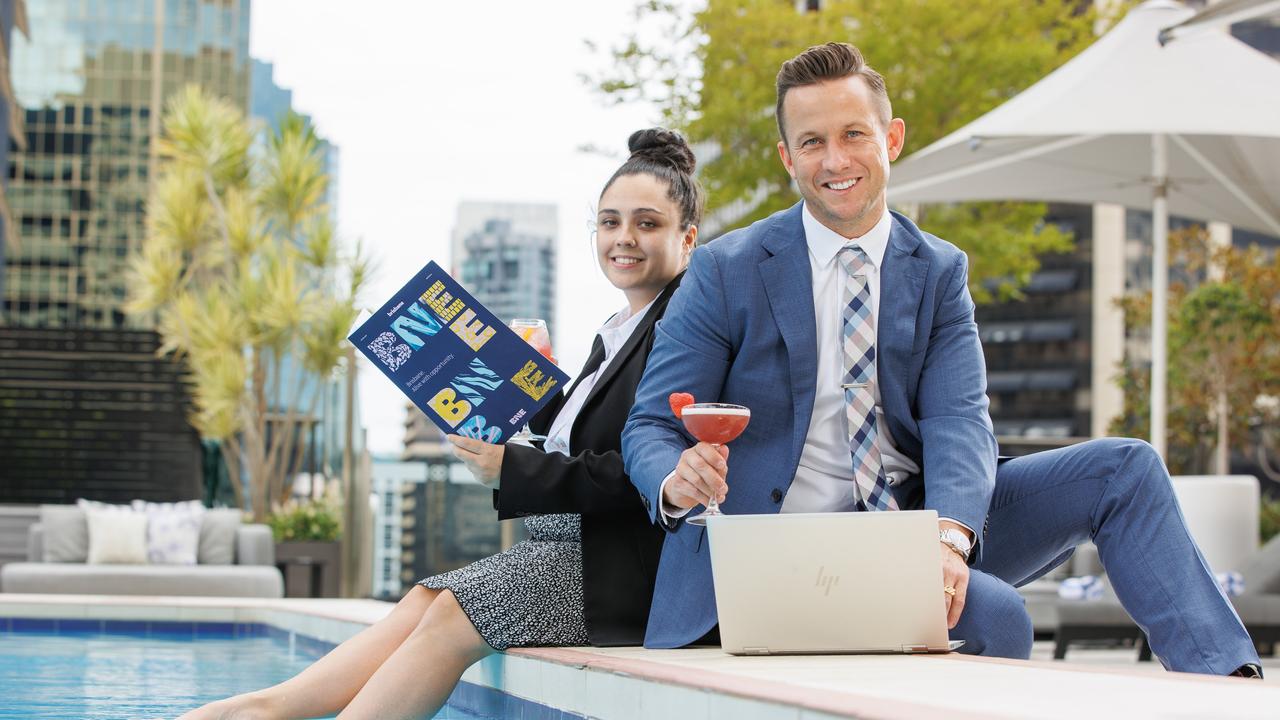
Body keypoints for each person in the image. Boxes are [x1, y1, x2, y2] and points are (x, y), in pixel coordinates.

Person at [621, 42, 1262, 678]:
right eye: (812, 143)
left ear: (891, 138)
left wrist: (949, 539)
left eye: (854, 134)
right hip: (775, 548)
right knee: (996, 616)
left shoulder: (938, 270)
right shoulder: (725, 271)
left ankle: (1228, 687)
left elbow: (959, 419)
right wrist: (675, 481)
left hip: (908, 527)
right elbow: (649, 425)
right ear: (788, 158)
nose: (835, 160)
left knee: (1126, 469)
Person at [180, 127, 705, 720]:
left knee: (452, 613)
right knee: (425, 597)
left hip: (622, 569)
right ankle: (262, 707)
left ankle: (265, 713)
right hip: (570, 553)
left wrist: (514, 466)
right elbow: (591, 434)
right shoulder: (617, 330)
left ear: (687, 238)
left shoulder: (683, 328)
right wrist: (526, 389)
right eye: (609, 223)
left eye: (647, 223)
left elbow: (651, 468)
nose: (623, 239)